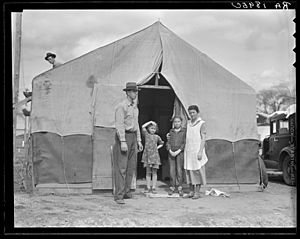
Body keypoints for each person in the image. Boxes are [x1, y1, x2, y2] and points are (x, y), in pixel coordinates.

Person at [113, 82, 143, 204]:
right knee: (122, 167)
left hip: (133, 137)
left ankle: (126, 192)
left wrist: (139, 140)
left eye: (136, 91)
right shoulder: (122, 106)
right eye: (133, 91)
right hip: (124, 136)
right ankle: (119, 195)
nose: (135, 93)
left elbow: (137, 125)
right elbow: (119, 125)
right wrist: (123, 141)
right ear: (127, 92)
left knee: (131, 167)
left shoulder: (135, 107)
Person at [183, 105, 208, 199]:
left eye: (193, 112)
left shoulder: (201, 123)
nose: (192, 114)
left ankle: (197, 192)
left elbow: (203, 138)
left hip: (197, 150)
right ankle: (191, 191)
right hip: (189, 150)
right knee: (189, 170)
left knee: (197, 171)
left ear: (197, 113)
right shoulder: (188, 123)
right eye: (190, 113)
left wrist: (200, 151)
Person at [141, 121, 164, 194]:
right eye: (151, 128)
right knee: (148, 172)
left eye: (154, 129)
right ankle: (148, 187)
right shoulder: (146, 135)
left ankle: (153, 187)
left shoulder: (157, 137)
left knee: (154, 172)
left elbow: (161, 143)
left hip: (155, 156)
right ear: (148, 129)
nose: (153, 130)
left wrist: (157, 147)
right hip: (147, 156)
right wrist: (150, 122)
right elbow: (142, 127)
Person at [166, 116, 186, 196]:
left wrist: (178, 151)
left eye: (178, 121)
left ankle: (180, 187)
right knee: (171, 170)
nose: (177, 123)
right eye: (175, 122)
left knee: (179, 170)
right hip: (171, 153)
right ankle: (172, 187)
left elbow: (184, 143)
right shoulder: (171, 132)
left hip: (180, 153)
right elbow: (168, 142)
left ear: (181, 122)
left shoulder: (184, 131)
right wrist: (170, 150)